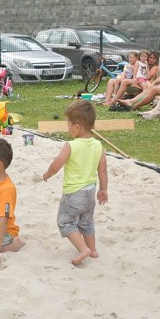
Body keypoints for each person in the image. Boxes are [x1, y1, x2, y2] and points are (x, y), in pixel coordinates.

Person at [38, 100, 108, 265]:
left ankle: (83, 249)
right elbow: (103, 170)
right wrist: (103, 189)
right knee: (87, 221)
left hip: (74, 193)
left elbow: (57, 164)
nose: (67, 128)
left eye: (68, 124)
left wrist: (47, 174)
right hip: (90, 192)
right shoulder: (98, 145)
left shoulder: (71, 145)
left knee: (66, 222)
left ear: (77, 127)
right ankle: (93, 250)